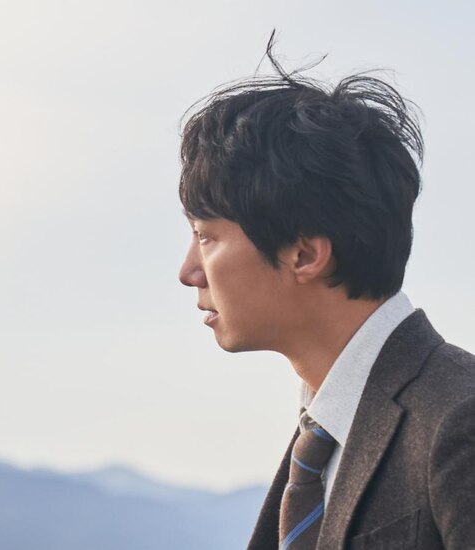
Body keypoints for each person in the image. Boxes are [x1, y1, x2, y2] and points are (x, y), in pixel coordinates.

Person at [177, 48, 475, 549]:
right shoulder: (324, 435)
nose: (189, 272)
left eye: (206, 237)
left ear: (304, 254)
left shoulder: (456, 420)